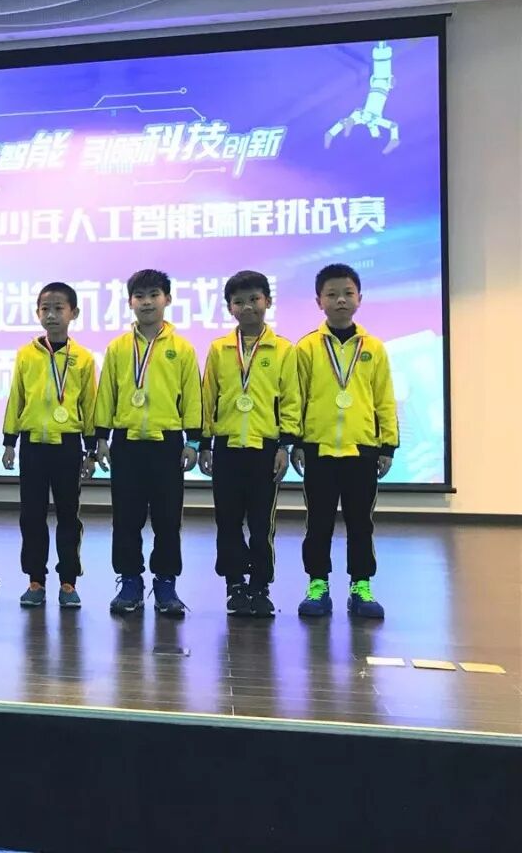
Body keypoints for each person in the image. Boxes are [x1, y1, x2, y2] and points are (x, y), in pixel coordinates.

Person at [292, 264, 398, 619]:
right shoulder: (306, 347)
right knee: (318, 522)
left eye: (348, 293)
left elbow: (384, 398)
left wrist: (387, 445)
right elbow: (297, 398)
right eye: (332, 294)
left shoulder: (374, 348)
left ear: (359, 298)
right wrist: (296, 441)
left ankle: (361, 585)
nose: (340, 300)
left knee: (360, 523)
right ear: (319, 301)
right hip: (318, 448)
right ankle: (317, 584)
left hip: (362, 449)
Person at [93, 269, 201, 617]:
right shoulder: (118, 348)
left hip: (167, 445)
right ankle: (130, 581)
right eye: (139, 296)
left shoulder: (181, 349)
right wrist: (101, 437)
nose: (147, 302)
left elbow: (193, 397)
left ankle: (166, 583)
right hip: (126, 444)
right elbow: (106, 394)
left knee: (168, 519)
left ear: (167, 299)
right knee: (126, 519)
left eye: (154, 294)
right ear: (130, 302)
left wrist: (193, 441)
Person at [198, 271, 300, 618]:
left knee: (261, 525)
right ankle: (235, 584)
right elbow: (208, 397)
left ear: (267, 301)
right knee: (227, 521)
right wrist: (205, 443)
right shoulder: (219, 349)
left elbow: (290, 399)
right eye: (238, 301)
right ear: (229, 307)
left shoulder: (283, 349)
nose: (247, 307)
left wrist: (285, 445)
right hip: (227, 448)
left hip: (265, 449)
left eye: (254, 299)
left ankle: (260, 585)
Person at [2, 282, 99, 609]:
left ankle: (68, 581)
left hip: (68, 445)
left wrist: (90, 449)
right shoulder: (26, 354)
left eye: (59, 308)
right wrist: (9, 441)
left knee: (68, 515)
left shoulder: (83, 358)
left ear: (74, 313)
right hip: (32, 445)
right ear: (37, 313)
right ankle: (35, 579)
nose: (52, 315)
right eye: (46, 309)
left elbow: (90, 404)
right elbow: (17, 397)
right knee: (31, 516)